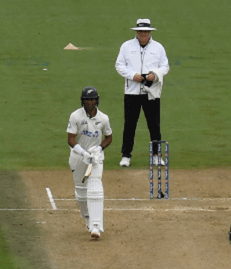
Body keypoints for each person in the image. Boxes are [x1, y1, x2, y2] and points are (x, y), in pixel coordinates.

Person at [114, 18, 169, 167]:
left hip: (151, 92)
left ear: (150, 32)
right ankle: (126, 156)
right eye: (140, 31)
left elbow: (165, 66)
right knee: (130, 124)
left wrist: (155, 74)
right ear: (136, 32)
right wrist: (133, 75)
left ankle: (157, 156)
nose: (143, 34)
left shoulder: (158, 48)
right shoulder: (126, 46)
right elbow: (119, 65)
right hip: (132, 91)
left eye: (145, 31)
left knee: (154, 125)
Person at [67, 86, 112, 240]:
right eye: (87, 99)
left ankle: (96, 225)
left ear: (96, 100)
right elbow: (71, 139)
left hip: (96, 157)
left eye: (92, 99)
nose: (89, 102)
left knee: (95, 188)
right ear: (83, 101)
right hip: (78, 156)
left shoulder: (103, 118)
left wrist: (99, 149)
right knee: (81, 192)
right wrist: (84, 153)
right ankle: (87, 218)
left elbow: (109, 137)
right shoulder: (75, 116)